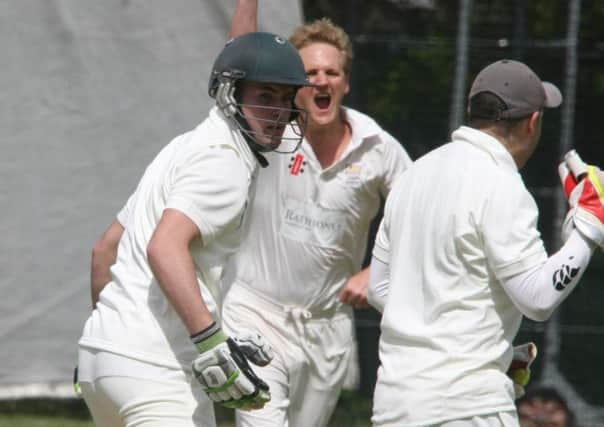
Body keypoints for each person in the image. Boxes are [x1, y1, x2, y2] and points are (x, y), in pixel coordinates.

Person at [77, 31, 312, 427]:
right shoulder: (226, 160)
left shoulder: (182, 146)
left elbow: (105, 250)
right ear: (228, 93)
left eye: (287, 99)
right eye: (265, 96)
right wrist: (212, 343)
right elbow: (165, 247)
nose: (279, 113)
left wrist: (111, 339)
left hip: (101, 359)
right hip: (154, 369)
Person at [368, 59, 604, 426]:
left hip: (395, 404)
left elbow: (380, 290)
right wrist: (589, 227)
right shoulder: (501, 185)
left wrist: (486, 346)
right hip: (466, 407)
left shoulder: (414, 174)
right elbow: (538, 298)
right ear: (533, 121)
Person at [220, 1, 412, 426]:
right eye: (309, 74)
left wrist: (375, 271)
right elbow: (237, 61)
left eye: (332, 72)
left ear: (345, 81)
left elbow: (421, 219)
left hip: (328, 328)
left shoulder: (379, 148)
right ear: (293, 82)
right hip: (255, 314)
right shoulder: (266, 131)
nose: (321, 81)